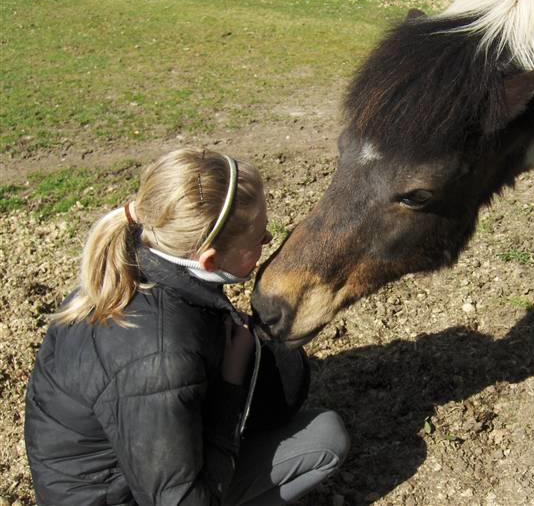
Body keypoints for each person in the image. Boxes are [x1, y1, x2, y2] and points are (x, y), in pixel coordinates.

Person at [24, 148, 350, 505]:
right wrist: (230, 385)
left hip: (107, 478)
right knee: (325, 439)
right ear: (208, 259)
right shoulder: (162, 357)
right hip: (126, 497)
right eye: (259, 238)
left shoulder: (125, 268)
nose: (268, 241)